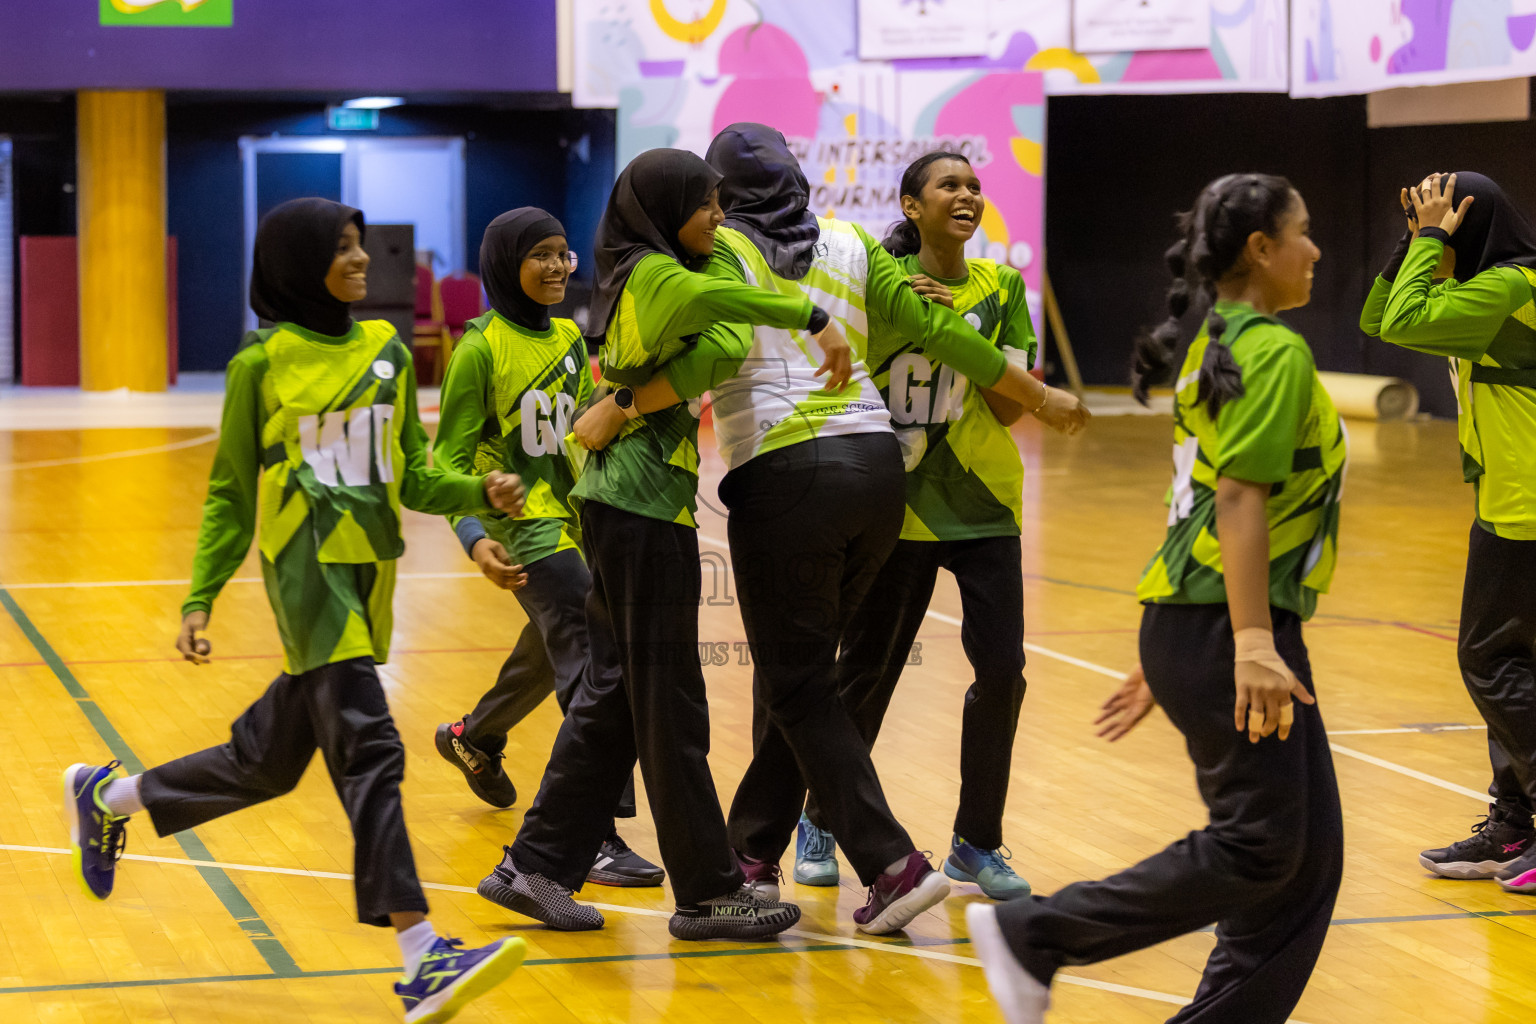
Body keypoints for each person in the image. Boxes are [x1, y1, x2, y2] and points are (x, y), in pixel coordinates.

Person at [574, 124, 1087, 934]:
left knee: (797, 681)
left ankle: (893, 865)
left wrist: (620, 403)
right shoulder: (850, 241)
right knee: (805, 677)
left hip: (786, 472)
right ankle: (753, 849)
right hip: (880, 473)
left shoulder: (718, 252)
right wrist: (1038, 394)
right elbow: (944, 335)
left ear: (727, 192)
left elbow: (715, 356)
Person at [62, 198, 528, 1024]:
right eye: (341, 249)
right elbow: (230, 492)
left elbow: (413, 476)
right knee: (375, 752)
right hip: (306, 577)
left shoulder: (386, 350)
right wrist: (200, 599)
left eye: (359, 246)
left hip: (368, 577)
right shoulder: (260, 363)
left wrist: (479, 498)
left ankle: (110, 799)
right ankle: (422, 956)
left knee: (267, 763)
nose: (359, 260)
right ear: (295, 262)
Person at [969, 173, 1345, 1024]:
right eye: (1304, 232)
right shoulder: (1270, 351)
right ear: (1262, 249)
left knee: (1304, 859)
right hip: (1231, 627)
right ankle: (1038, 934)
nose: (1316, 250)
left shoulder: (1224, 341)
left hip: (1206, 623)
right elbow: (1239, 499)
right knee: (1259, 849)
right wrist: (1242, 645)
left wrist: (1177, 653)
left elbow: (1198, 500)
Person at [476, 148, 846, 941]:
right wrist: (813, 315)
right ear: (664, 206)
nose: (719, 217)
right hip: (640, 510)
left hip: (632, 503)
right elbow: (733, 308)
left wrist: (627, 397)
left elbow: (720, 343)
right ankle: (709, 892)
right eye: (706, 204)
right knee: (672, 706)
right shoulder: (658, 275)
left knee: (615, 698)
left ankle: (534, 866)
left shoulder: (651, 274)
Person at [795, 150, 1038, 902]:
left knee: (1002, 673)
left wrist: (958, 328)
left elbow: (1008, 403)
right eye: (948, 186)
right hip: (894, 505)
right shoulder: (879, 287)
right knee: (868, 673)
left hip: (982, 503)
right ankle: (821, 819)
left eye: (973, 185)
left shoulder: (1002, 286)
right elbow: (842, 375)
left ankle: (977, 841)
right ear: (910, 205)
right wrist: (915, 319)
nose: (966, 195)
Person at [430, 207, 662, 888]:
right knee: (595, 663)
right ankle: (593, 831)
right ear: (506, 263)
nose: (561, 267)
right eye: (543, 255)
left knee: (551, 650)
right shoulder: (479, 349)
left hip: (576, 519)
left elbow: (581, 429)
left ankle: (473, 737)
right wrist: (475, 538)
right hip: (524, 531)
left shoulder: (566, 337)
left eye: (565, 254)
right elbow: (446, 463)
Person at [1364, 171, 1536, 893]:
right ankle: (1517, 824)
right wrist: (1416, 238)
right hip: (1504, 503)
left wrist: (1428, 241)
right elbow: (1378, 315)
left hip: (1528, 511)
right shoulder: (1480, 288)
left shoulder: (1511, 289)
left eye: (1439, 219)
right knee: (1513, 670)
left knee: (1490, 664)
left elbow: (1402, 322)